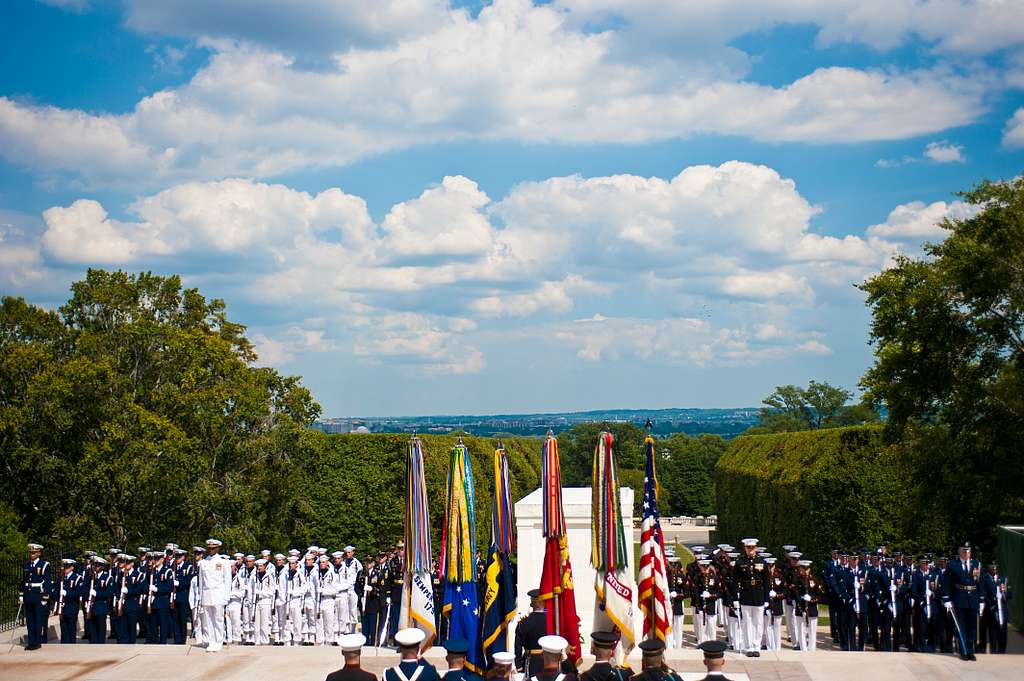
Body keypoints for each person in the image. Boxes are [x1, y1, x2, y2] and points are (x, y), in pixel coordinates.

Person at [942, 542, 981, 661]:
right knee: (961, 626)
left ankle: (971, 651)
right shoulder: (953, 564)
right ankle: (963, 651)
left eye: (968, 550)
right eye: (964, 550)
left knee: (972, 627)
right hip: (959, 598)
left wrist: (982, 598)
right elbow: (946, 582)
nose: (966, 553)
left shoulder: (976, 563)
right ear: (959, 551)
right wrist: (946, 598)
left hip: (973, 598)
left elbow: (980, 582)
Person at [732, 538, 767, 657]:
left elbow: (767, 581)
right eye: (748, 547)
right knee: (746, 622)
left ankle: (757, 646)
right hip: (745, 595)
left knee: (758, 623)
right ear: (745, 548)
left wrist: (766, 599)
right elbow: (735, 581)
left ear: (756, 548)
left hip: (758, 595)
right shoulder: (740, 562)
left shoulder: (762, 562)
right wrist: (735, 598)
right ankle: (748, 647)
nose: (750, 550)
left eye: (752, 547)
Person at [197, 538, 231, 652]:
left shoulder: (223, 562)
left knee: (218, 619)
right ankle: (211, 642)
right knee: (208, 621)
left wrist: (226, 597)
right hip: (207, 595)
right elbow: (201, 582)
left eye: (214, 548)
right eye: (210, 548)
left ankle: (219, 641)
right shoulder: (203, 563)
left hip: (218, 594)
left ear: (217, 548)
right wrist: (200, 598)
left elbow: (227, 581)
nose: (212, 550)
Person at [20, 543, 51, 650]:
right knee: (29, 620)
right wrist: (21, 594)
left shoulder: (44, 565)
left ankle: (37, 642)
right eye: (30, 553)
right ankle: (31, 642)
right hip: (28, 595)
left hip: (38, 594)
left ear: (39, 553)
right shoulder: (27, 565)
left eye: (33, 553)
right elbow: (23, 581)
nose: (31, 555)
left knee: (38, 619)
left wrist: (45, 596)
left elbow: (47, 582)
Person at [514, 589, 547, 677]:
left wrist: (519, 666)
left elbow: (518, 647)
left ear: (531, 603)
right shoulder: (552, 622)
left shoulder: (523, 623)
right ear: (544, 603)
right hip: (548, 661)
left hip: (530, 661)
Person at [979, 561, 1010, 654]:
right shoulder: (985, 579)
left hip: (1002, 609)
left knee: (1003, 630)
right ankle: (994, 651)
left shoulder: (1003, 579)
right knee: (993, 631)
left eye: (995, 567)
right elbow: (984, 594)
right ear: (988, 568)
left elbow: (1009, 595)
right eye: (992, 567)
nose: (994, 569)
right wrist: (992, 602)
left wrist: (1004, 593)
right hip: (991, 609)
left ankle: (1002, 650)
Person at [53, 558, 83, 644]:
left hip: (72, 606)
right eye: (64, 566)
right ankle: (64, 646)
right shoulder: (60, 578)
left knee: (71, 628)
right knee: (63, 628)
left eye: (67, 567)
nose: (65, 568)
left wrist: (67, 593)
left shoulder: (77, 578)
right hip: (62, 607)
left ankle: (71, 646)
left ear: (72, 567)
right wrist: (58, 596)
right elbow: (55, 590)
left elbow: (78, 592)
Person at [86, 556, 115, 644]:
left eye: (98, 565)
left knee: (101, 627)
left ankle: (100, 644)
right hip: (90, 606)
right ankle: (93, 643)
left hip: (101, 605)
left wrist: (97, 594)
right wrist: (87, 596)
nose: (95, 567)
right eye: (94, 565)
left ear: (102, 566)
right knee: (91, 628)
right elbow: (83, 589)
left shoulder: (107, 577)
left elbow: (109, 592)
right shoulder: (90, 576)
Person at [252, 558, 277, 645]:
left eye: (261, 566)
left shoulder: (269, 576)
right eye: (258, 566)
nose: (259, 568)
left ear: (265, 566)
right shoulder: (255, 576)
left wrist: (260, 593)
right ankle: (257, 641)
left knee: (264, 623)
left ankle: (265, 641)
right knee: (256, 624)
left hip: (266, 601)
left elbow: (272, 591)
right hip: (257, 602)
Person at [172, 548, 194, 644]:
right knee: (175, 619)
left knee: (182, 619)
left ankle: (182, 639)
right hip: (174, 597)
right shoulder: (173, 567)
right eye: (176, 556)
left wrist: (178, 583)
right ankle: (177, 638)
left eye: (179, 557)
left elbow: (189, 581)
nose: (177, 558)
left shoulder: (188, 567)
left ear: (184, 557)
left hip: (183, 596)